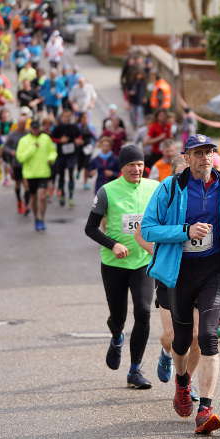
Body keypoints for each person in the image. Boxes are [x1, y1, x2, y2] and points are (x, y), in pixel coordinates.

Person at [141, 134, 220, 435]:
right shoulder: (170, 188)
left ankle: (206, 408)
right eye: (198, 153)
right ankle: (182, 382)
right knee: (182, 340)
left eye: (209, 152)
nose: (205, 158)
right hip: (179, 272)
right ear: (186, 158)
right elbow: (149, 229)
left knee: (209, 337)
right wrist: (185, 231)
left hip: (213, 271)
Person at [84, 145, 159, 389]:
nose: (136, 169)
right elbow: (90, 228)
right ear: (122, 167)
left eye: (139, 164)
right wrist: (113, 244)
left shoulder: (154, 188)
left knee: (144, 311)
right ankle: (117, 337)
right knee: (118, 316)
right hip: (114, 263)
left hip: (143, 261)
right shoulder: (107, 191)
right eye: (131, 165)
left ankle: (135, 369)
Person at [138, 154, 202, 401]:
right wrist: (160, 252)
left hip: (197, 273)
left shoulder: (206, 199)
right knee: (172, 337)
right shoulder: (165, 197)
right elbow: (141, 234)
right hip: (169, 274)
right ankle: (166, 353)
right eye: (182, 172)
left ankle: (186, 383)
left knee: (196, 336)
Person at [16, 120, 57, 231]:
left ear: (40, 128)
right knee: (33, 198)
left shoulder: (46, 138)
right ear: (30, 128)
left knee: (42, 197)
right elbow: (20, 157)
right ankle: (36, 218)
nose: (35, 130)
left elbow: (53, 151)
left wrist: (51, 159)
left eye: (37, 128)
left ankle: (41, 218)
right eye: (33, 128)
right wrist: (33, 148)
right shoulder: (24, 140)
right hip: (30, 174)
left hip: (43, 172)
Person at [51, 109, 82, 207]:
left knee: (71, 173)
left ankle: (71, 197)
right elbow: (51, 138)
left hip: (72, 155)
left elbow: (80, 137)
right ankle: (62, 195)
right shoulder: (58, 128)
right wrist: (60, 140)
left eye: (68, 117)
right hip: (61, 155)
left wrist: (78, 141)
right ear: (61, 117)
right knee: (61, 176)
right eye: (65, 116)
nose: (67, 118)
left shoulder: (74, 127)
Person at [3, 113, 30, 215]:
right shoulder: (12, 134)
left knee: (27, 185)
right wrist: (11, 152)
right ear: (17, 124)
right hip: (16, 163)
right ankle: (19, 201)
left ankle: (27, 204)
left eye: (23, 123)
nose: (22, 125)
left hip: (26, 163)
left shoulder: (28, 134)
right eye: (20, 123)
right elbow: (5, 147)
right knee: (18, 184)